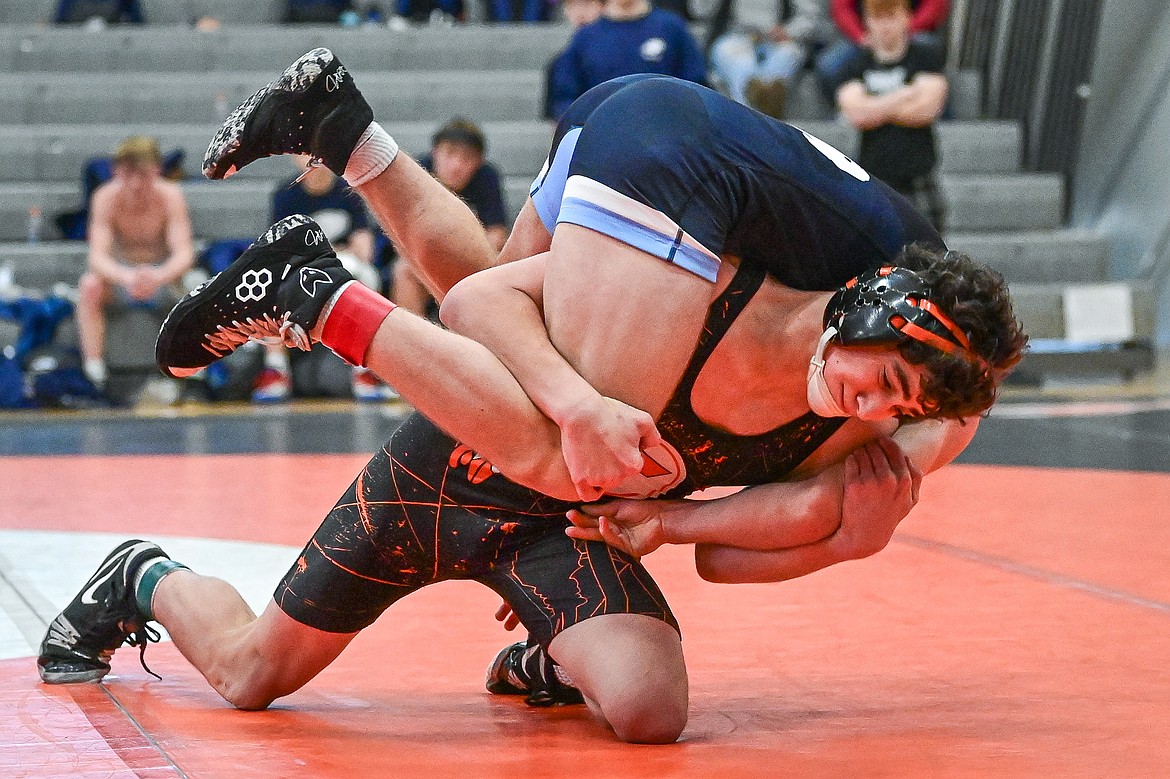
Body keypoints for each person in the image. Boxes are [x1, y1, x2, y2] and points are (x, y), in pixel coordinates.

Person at [39, 53, 1025, 744]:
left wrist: (741, 525)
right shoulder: (736, 291)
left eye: (886, 403)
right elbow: (475, 310)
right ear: (857, 311)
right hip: (485, 423)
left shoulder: (883, 410)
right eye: (872, 373)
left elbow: (737, 548)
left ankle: (345, 129)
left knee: (648, 701)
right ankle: (160, 544)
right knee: (256, 671)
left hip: (571, 501)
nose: (861, 397)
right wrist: (574, 402)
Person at [255, 154, 394, 401]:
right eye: (303, 153)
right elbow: (277, 249)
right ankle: (276, 369)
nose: (311, 159)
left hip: (342, 263)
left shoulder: (350, 191)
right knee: (269, 284)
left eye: (317, 152)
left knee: (366, 278)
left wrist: (347, 254)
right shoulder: (284, 195)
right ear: (292, 157)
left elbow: (364, 245)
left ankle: (363, 370)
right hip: (301, 266)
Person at [75, 135, 195, 390]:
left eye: (144, 175)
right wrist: (128, 277)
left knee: (199, 284)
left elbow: (184, 254)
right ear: (116, 171)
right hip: (122, 278)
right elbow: (97, 257)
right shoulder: (105, 198)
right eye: (129, 175)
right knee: (89, 285)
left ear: (157, 170)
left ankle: (195, 363)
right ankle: (93, 367)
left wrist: (158, 276)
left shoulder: (171, 195)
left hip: (163, 277)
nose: (136, 185)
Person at [836, 0, 948, 232]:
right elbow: (856, 115)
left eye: (892, 17)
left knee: (932, 255)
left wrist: (875, 106)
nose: (885, 26)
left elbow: (927, 110)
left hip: (919, 172)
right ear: (867, 21)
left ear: (907, 17)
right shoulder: (856, 63)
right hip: (874, 176)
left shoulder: (926, 57)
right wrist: (906, 94)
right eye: (878, 18)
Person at [392, 118, 510, 322]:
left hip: (470, 259)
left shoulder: (487, 177)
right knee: (403, 271)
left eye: (467, 158)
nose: (456, 165)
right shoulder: (417, 172)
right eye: (450, 154)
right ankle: (412, 345)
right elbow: (398, 231)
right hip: (422, 257)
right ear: (435, 152)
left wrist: (462, 257)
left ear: (479, 162)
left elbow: (497, 233)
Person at [546, 0, 708, 119]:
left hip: (665, 138)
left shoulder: (671, 28)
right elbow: (565, 101)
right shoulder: (585, 38)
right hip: (604, 141)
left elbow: (697, 86)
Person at [708, 0, 835, 119]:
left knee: (787, 57)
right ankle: (751, 118)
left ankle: (764, 113)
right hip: (736, 36)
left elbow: (810, 17)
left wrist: (789, 31)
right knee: (742, 65)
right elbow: (702, 11)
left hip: (781, 40)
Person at [815, 0, 948, 103]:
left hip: (913, 33)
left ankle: (942, 118)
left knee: (931, 54)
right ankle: (844, 112)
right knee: (828, 64)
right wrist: (861, 36)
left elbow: (935, 6)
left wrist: (904, 29)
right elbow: (841, 9)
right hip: (864, 36)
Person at [543, 0, 606, 121]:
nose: (580, 13)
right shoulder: (559, 62)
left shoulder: (609, 55)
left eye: (587, 4)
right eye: (572, 6)